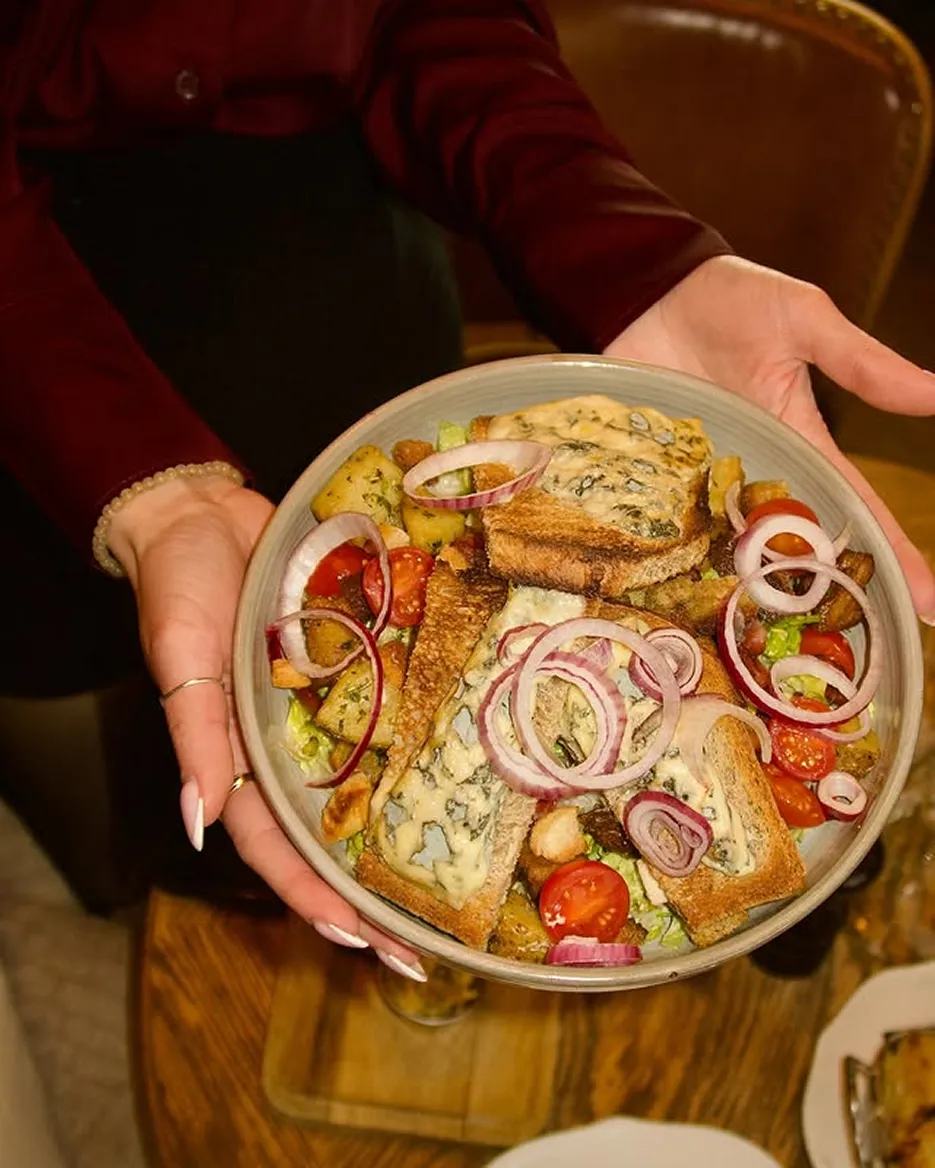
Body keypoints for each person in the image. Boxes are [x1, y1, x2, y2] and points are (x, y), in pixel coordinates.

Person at [3, 1, 933, 979]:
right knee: (121, 767)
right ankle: (115, 911)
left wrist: (620, 249)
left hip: (328, 208)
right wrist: (140, 484)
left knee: (291, 673)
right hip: (23, 348)